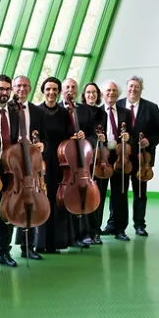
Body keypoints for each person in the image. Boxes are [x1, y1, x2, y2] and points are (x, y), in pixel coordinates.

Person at [116, 76, 159, 236]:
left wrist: (148, 142)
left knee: (140, 193)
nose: (133, 89)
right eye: (130, 86)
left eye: (136, 87)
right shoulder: (117, 105)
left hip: (143, 159)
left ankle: (139, 225)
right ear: (126, 87)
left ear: (141, 89)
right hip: (122, 157)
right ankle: (116, 225)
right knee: (120, 192)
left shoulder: (151, 107)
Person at [10, 75, 46, 259]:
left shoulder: (37, 111)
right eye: (18, 86)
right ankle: (3, 250)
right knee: (10, 202)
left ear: (30, 88)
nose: (21, 89)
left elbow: (43, 135)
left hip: (31, 161)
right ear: (13, 88)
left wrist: (40, 145)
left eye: (25, 86)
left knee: (31, 199)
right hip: (13, 162)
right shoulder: (7, 109)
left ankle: (28, 246)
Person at [35, 77, 72, 254]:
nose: (51, 93)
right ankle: (38, 242)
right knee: (40, 199)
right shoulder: (36, 111)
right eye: (48, 89)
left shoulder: (65, 113)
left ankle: (54, 242)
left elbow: (68, 135)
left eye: (55, 90)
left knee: (56, 200)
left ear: (59, 92)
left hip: (59, 161)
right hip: (41, 162)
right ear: (43, 91)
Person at [62, 77, 97, 249]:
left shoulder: (85, 111)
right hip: (64, 160)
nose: (70, 90)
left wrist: (86, 138)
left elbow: (93, 135)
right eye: (67, 87)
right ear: (62, 90)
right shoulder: (58, 110)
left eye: (73, 87)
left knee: (82, 195)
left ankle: (84, 234)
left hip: (81, 163)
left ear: (77, 91)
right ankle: (66, 237)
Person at [96, 81, 132, 241]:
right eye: (108, 90)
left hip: (119, 156)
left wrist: (128, 137)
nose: (111, 93)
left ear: (118, 94)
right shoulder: (96, 112)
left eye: (114, 90)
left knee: (120, 193)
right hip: (101, 157)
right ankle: (95, 229)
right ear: (103, 93)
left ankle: (119, 229)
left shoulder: (125, 113)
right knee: (99, 194)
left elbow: (132, 131)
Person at [0, 74, 18, 267]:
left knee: (8, 210)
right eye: (1, 89)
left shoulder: (15, 113)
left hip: (11, 169)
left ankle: (4, 251)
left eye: (7, 89)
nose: (4, 92)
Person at [79, 82, 107, 244]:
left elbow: (99, 133)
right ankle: (84, 232)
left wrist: (100, 138)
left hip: (98, 158)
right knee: (84, 196)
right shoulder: (79, 110)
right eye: (88, 92)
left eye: (94, 93)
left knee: (98, 195)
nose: (91, 95)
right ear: (84, 94)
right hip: (83, 158)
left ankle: (95, 230)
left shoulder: (102, 113)